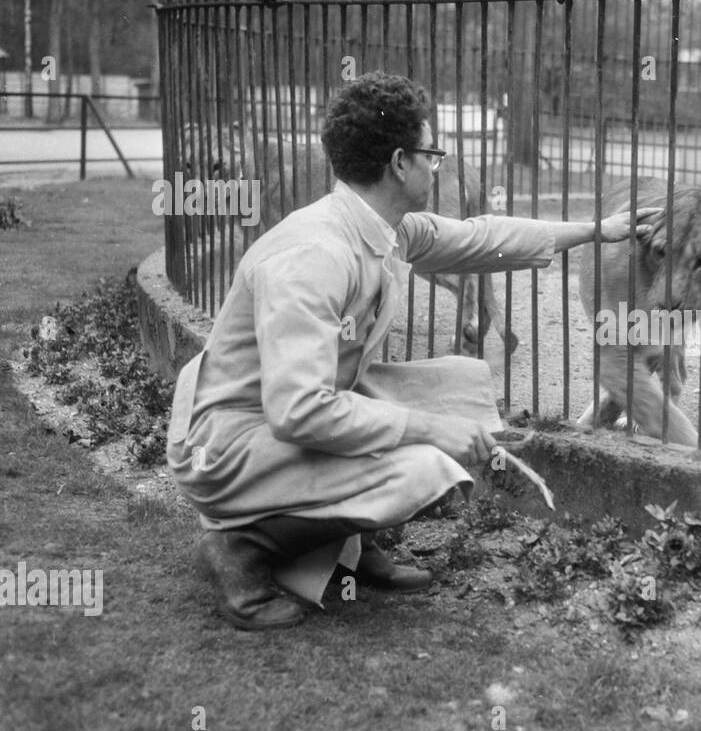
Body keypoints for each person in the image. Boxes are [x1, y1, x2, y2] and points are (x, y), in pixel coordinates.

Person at [167, 71, 658, 630]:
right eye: (433, 153)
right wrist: (427, 430)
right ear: (401, 163)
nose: (437, 164)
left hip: (273, 420)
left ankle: (350, 545)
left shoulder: (383, 227)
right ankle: (240, 547)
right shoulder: (314, 255)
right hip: (228, 442)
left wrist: (599, 229)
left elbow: (482, 237)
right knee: (423, 467)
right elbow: (297, 409)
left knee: (456, 389)